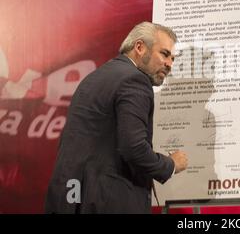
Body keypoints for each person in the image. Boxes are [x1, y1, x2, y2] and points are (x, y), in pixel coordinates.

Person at [45, 22, 188, 214]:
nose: (170, 64)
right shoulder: (135, 80)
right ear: (139, 47)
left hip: (70, 196)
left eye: (172, 58)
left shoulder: (95, 77)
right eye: (164, 54)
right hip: (106, 201)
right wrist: (170, 165)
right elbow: (134, 147)